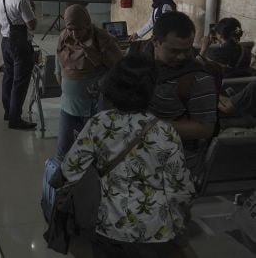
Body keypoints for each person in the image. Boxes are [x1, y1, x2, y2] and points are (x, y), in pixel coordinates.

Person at [61, 54, 196, 258]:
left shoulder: (98, 123)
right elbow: (179, 190)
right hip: (156, 231)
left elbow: (70, 170)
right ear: (151, 90)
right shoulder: (165, 132)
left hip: (109, 226)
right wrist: (179, 226)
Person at [131, 12, 217, 143]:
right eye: (174, 51)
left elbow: (205, 128)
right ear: (155, 41)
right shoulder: (133, 58)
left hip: (173, 156)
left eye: (187, 50)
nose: (181, 57)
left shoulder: (198, 79)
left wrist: (150, 127)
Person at [54, 4, 122, 157]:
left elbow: (118, 69)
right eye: (70, 28)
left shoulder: (102, 40)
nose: (74, 33)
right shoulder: (64, 38)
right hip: (68, 106)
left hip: (94, 108)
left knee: (96, 151)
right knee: (63, 151)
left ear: (87, 24)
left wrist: (99, 85)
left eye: (78, 29)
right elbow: (59, 65)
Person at [0, 0, 38, 130]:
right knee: (20, 81)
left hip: (6, 41)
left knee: (9, 77)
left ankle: (8, 111)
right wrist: (32, 10)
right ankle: (15, 119)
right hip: (20, 44)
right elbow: (32, 25)